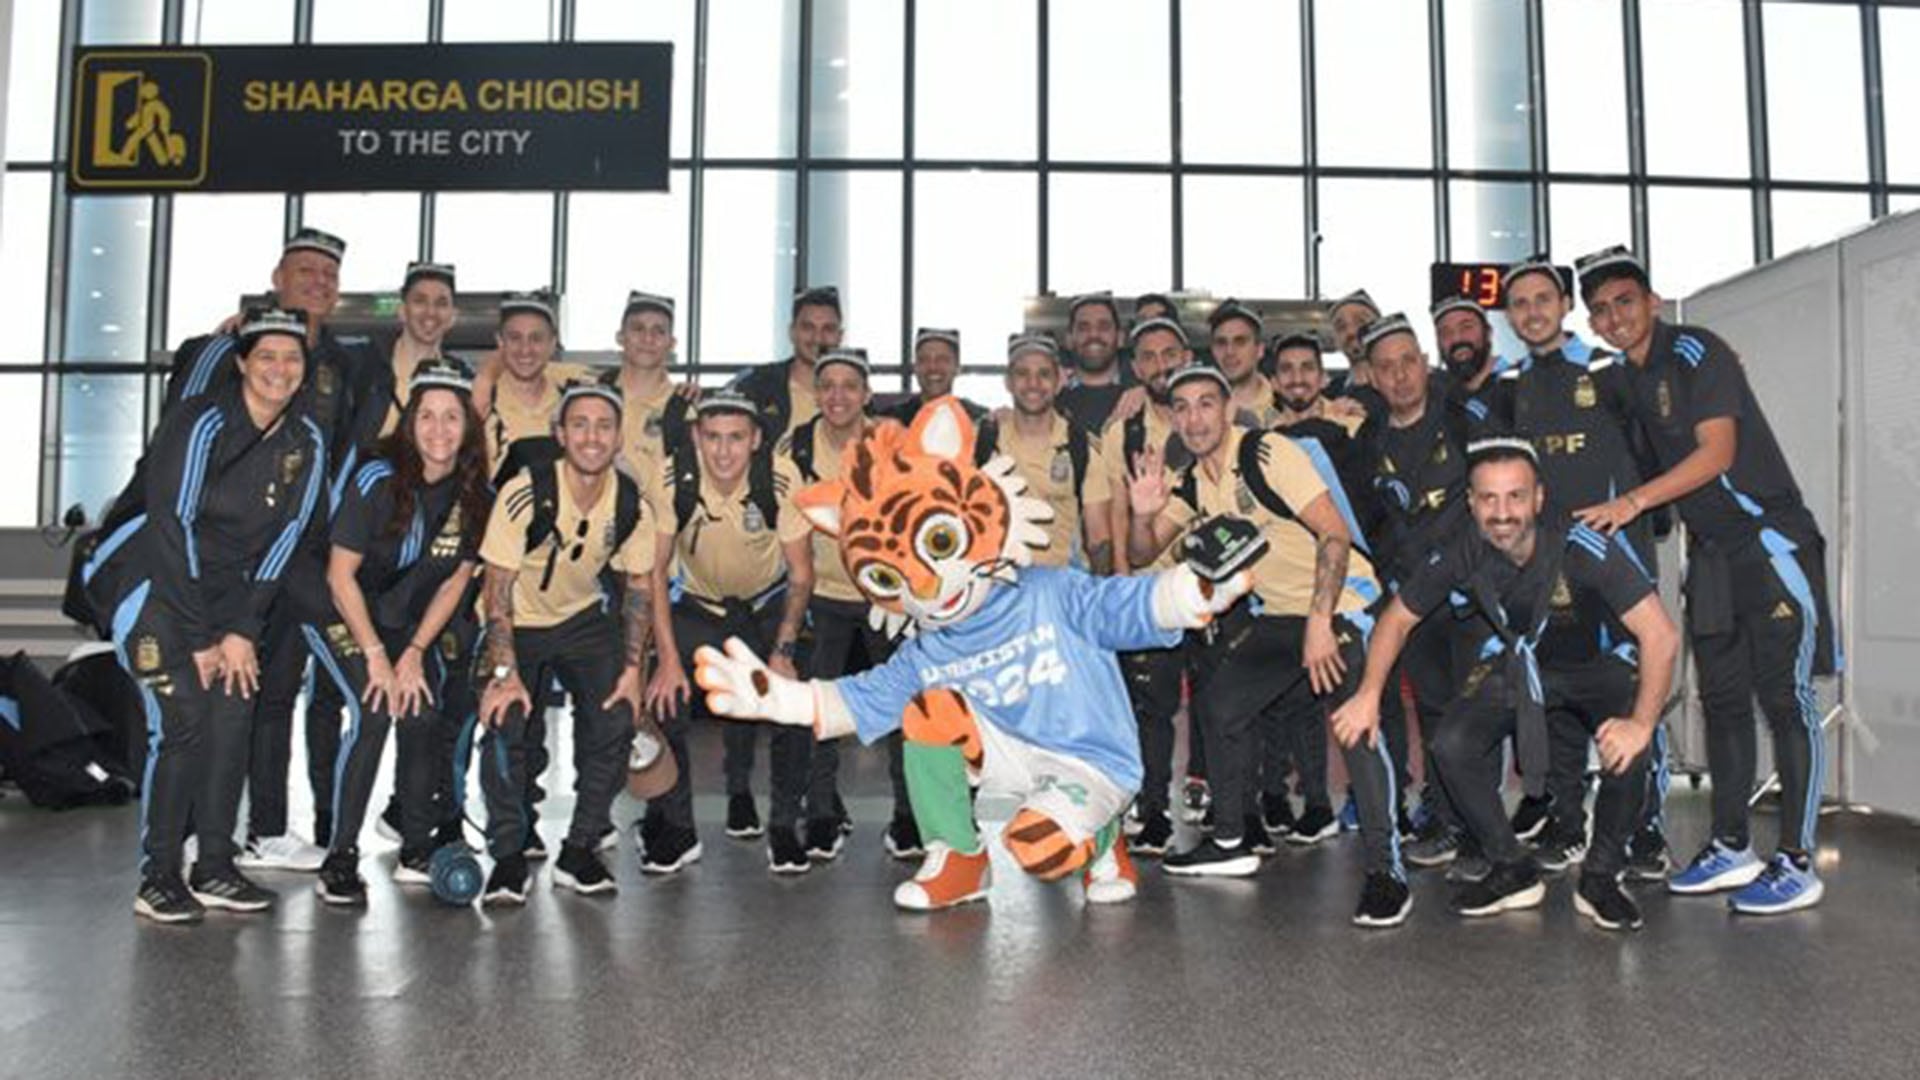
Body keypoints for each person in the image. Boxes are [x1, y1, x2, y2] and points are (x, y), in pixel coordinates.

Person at [693, 398, 1251, 911]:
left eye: (940, 544)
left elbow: (1126, 605)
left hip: (1087, 757)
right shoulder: (928, 646)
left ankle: (1103, 838)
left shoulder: (1050, 593)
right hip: (1006, 752)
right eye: (892, 575)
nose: (929, 586)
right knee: (925, 712)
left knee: (1040, 849)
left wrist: (1202, 589)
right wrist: (779, 699)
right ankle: (960, 859)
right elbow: (867, 698)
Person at [1574, 244, 1839, 915]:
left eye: (1625, 303)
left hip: (1770, 540)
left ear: (1651, 302)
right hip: (1713, 558)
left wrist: (1633, 504)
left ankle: (1799, 861)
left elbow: (1716, 453)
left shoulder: (1699, 351)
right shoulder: (1620, 379)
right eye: (1600, 311)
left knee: (1787, 700)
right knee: (1721, 702)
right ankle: (1730, 845)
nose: (1614, 318)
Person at [1332, 439, 1679, 930]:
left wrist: (1640, 724)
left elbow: (1660, 635)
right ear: (1471, 504)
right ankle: (1511, 865)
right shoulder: (1463, 550)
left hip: (1596, 666)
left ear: (1538, 498)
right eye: (1489, 499)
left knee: (1631, 746)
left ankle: (1601, 875)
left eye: (1515, 497)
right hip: (1523, 665)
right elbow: (1396, 620)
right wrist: (1367, 694)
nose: (1502, 513)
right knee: (1450, 744)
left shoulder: (1582, 543)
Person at [1127, 364, 1411, 928]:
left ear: (1228, 409)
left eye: (1206, 403)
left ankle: (1387, 872)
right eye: (1181, 407)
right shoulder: (1191, 481)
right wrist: (1142, 514)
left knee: (1355, 725)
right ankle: (1231, 840)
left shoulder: (1266, 452)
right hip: (1281, 615)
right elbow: (1141, 554)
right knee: (1220, 702)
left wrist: (1321, 620)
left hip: (1343, 604)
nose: (1194, 417)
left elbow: (1333, 533)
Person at [87, 308, 328, 922]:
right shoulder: (202, 421)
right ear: (243, 362)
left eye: (292, 358)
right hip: (154, 583)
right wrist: (200, 635)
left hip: (228, 598)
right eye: (266, 356)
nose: (280, 369)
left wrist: (243, 630)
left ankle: (215, 867)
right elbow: (174, 524)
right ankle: (158, 876)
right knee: (185, 720)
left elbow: (286, 539)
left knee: (232, 719)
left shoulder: (307, 441)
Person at [164, 227, 380, 871]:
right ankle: (187, 834)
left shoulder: (346, 365)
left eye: (328, 276)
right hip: (224, 554)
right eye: (305, 271)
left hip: (300, 554)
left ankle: (264, 830)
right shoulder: (227, 348)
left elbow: (346, 455)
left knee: (274, 687)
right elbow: (186, 437)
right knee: (207, 693)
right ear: (277, 277)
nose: (317, 282)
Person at [1485, 255, 1669, 873]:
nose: (1532, 311)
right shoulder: (1509, 387)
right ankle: (1567, 821)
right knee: (1555, 692)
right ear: (1509, 317)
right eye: (1520, 303)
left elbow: (1659, 450)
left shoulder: (1611, 372)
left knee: (1633, 690)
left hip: (1618, 562)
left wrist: (1639, 517)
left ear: (1565, 306)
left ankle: (1646, 830)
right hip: (1547, 571)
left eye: (1544, 298)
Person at [308, 359, 492, 905]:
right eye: (427, 416)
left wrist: (413, 652)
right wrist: (376, 656)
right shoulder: (376, 475)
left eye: (452, 417)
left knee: (423, 706)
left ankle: (416, 844)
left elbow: (455, 582)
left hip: (403, 618)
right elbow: (339, 575)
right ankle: (339, 856)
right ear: (410, 422)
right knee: (373, 708)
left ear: (469, 426)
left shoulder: (473, 492)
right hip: (335, 605)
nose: (439, 429)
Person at [473, 380, 655, 905]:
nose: (592, 437)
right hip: (516, 621)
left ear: (619, 437)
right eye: (579, 424)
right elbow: (496, 588)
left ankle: (579, 851)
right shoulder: (525, 491)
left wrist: (631, 669)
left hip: (579, 618)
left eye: (603, 426)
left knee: (617, 716)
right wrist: (504, 674)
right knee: (506, 722)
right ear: (560, 433)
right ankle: (508, 857)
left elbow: (639, 589)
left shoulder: (630, 505)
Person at [642, 390, 816, 873]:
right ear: (696, 436)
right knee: (665, 698)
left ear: (757, 439)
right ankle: (677, 828)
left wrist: (783, 648)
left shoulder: (781, 478)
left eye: (736, 438)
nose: (723, 451)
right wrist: (669, 660)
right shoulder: (673, 476)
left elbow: (801, 574)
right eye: (712, 437)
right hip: (699, 607)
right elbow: (654, 572)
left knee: (793, 705)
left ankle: (783, 827)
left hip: (766, 605)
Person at [772, 349, 906, 859]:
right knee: (821, 713)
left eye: (850, 386)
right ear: (815, 393)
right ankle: (822, 812)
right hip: (823, 595)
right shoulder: (796, 448)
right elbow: (795, 537)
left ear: (867, 394)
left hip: (886, 598)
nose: (837, 395)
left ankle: (909, 816)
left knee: (901, 709)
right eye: (827, 385)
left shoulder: (890, 443)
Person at [1361, 314, 1469, 859]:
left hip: (1471, 595)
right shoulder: (1368, 437)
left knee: (1471, 713)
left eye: (1408, 362)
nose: (1400, 376)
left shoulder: (1466, 418)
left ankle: (1478, 823)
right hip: (1410, 597)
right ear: (1373, 378)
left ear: (1425, 364)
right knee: (1430, 709)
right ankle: (1446, 819)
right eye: (1386, 368)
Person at [1098, 318, 1194, 855]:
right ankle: (1152, 810)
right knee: (1151, 707)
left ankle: (1239, 811)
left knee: (1218, 704)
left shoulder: (1207, 417)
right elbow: (1114, 510)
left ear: (1185, 354)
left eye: (1170, 353)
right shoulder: (1123, 432)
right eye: (1150, 357)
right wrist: (1121, 583)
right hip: (1148, 591)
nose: (1162, 365)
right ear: (1136, 369)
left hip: (1211, 587)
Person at [732, 285, 843, 443]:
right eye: (808, 328)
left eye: (828, 329)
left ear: (840, 336)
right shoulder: (759, 384)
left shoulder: (853, 395)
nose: (818, 338)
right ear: (792, 332)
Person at [1056, 292, 1130, 435]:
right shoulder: (1050, 399)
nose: (1094, 335)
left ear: (1120, 338)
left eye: (1104, 327)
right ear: (1069, 339)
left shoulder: (1143, 397)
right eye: (1083, 328)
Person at [1208, 299, 1285, 429]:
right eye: (1221, 342)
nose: (1229, 351)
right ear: (1213, 350)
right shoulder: (1197, 410)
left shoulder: (1285, 407)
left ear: (1259, 350)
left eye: (1240, 342)